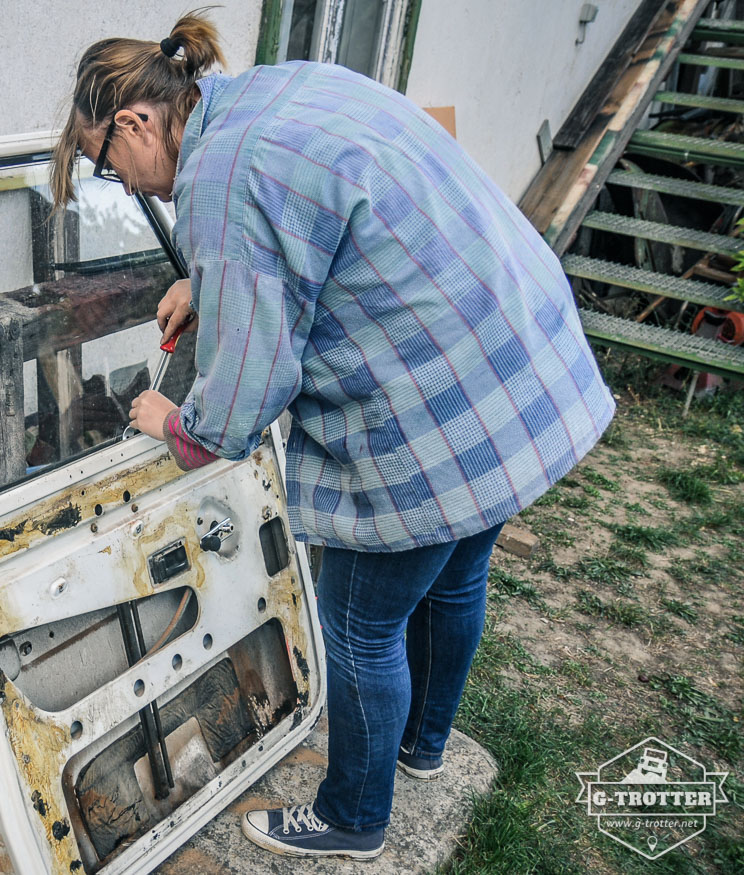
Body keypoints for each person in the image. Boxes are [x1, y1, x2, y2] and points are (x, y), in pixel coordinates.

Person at [49, 10, 615, 861]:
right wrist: (211, 281)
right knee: (458, 570)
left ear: (134, 122)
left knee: (357, 625)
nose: (123, 185)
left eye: (106, 164)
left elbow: (244, 399)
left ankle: (353, 814)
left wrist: (173, 423)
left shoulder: (220, 179)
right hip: (513, 357)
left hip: (437, 403)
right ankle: (423, 747)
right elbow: (312, 225)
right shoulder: (275, 90)